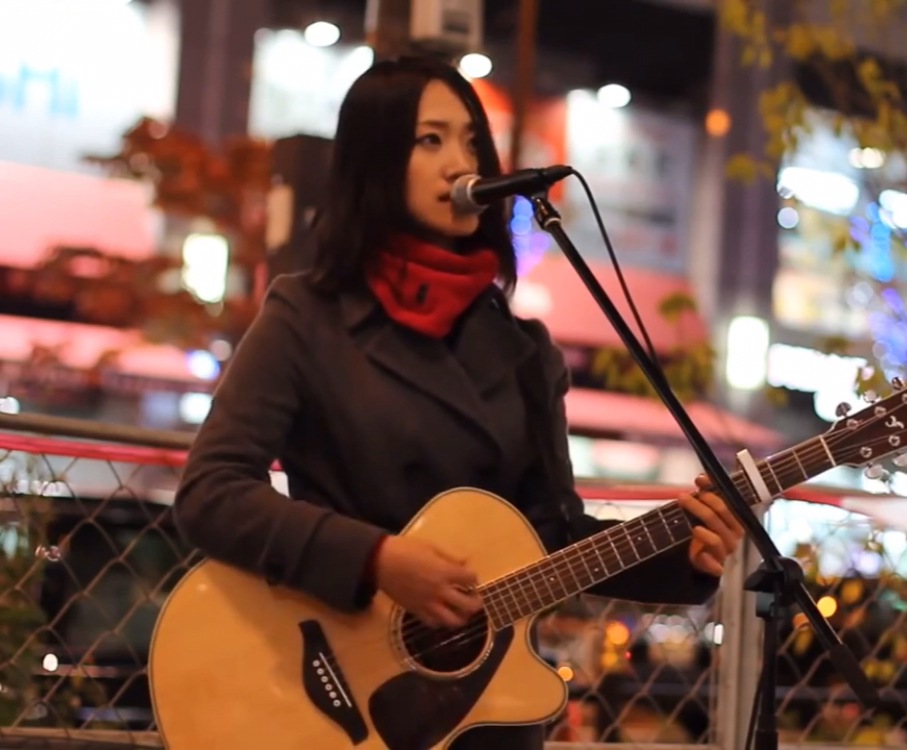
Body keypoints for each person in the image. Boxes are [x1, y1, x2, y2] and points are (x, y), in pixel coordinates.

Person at [172, 55, 744, 750]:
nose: (460, 161)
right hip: (326, 694)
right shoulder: (308, 314)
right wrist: (375, 560)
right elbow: (211, 492)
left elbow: (554, 539)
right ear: (375, 162)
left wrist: (685, 556)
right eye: (430, 140)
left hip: (481, 716)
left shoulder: (523, 351)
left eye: (471, 141)